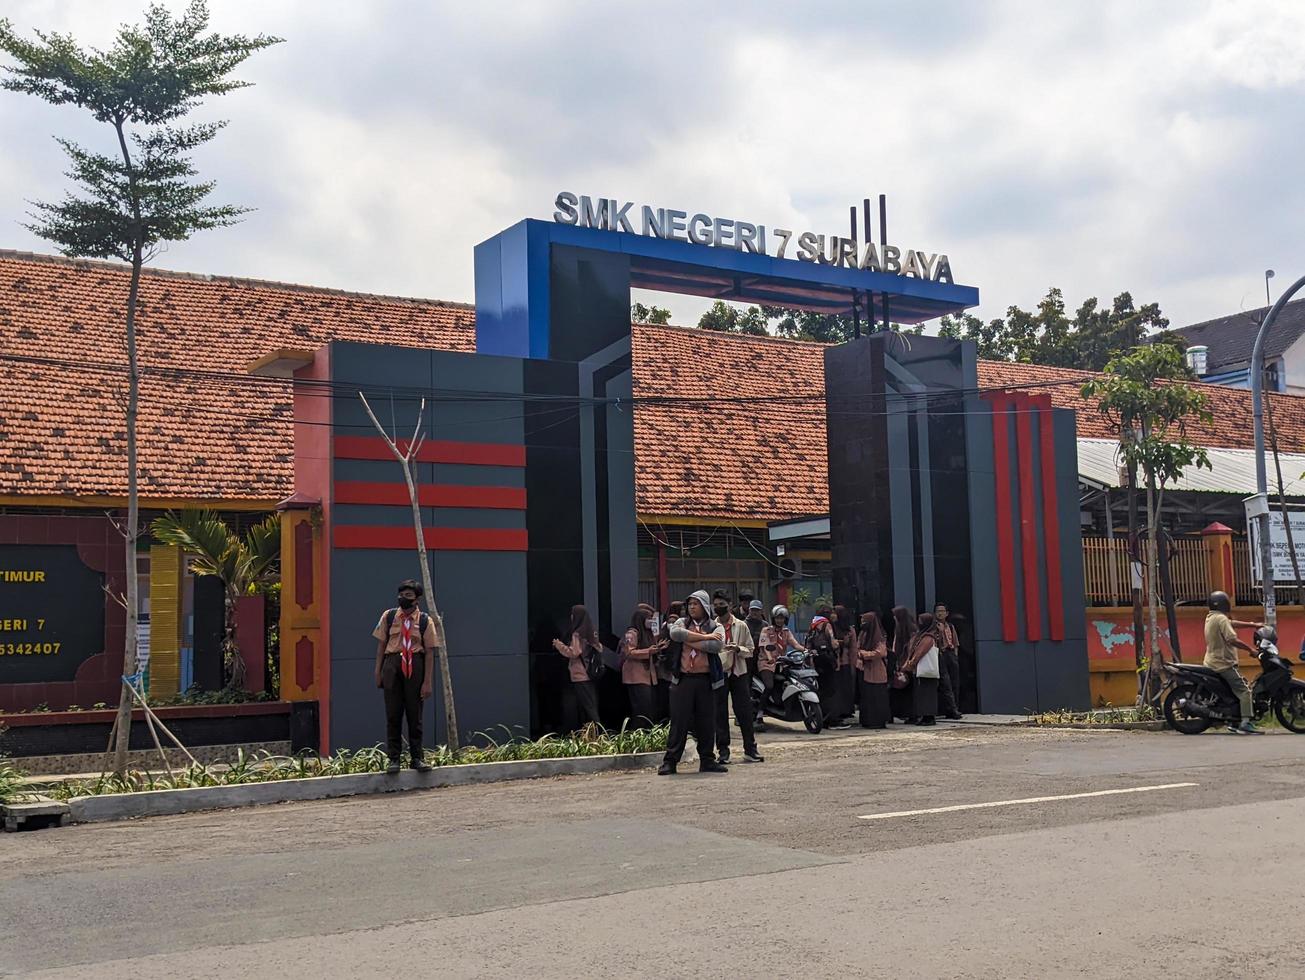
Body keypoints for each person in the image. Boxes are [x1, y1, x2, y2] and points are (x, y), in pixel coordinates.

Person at [372, 579, 442, 774]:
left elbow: (429, 653)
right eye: (401, 595)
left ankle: (417, 758)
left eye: (408, 596)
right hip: (392, 664)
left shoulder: (425, 621)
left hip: (415, 665)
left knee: (414, 714)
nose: (403, 598)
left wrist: (427, 682)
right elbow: (380, 646)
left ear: (417, 599)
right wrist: (378, 672)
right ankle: (393, 759)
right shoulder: (389, 616)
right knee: (393, 714)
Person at [659, 590, 728, 775]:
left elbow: (716, 646)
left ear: (705, 606)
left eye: (695, 604)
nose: (691, 607)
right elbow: (675, 633)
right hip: (683, 679)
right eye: (689, 604)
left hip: (706, 680)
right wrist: (704, 637)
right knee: (679, 721)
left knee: (706, 722)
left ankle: (707, 760)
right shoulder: (682, 622)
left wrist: (689, 640)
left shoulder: (716, 626)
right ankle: (670, 761)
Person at [713, 593, 763, 764]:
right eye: (716, 604)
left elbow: (751, 649)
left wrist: (738, 649)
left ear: (729, 604)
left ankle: (750, 749)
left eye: (722, 603)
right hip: (720, 673)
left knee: (744, 712)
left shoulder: (741, 626)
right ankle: (723, 751)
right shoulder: (712, 626)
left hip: (739, 672)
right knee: (720, 712)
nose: (718, 607)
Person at [1204, 590, 1262, 734]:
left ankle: (1233, 721)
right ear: (1225, 604)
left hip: (1211, 662)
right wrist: (1251, 650)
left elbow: (1231, 623)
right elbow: (1232, 639)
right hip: (1224, 664)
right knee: (1245, 690)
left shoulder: (1212, 617)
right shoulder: (1221, 619)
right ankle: (1245, 723)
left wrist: (1253, 625)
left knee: (1231, 693)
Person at [552, 605, 604, 730]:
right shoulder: (591, 632)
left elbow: (574, 652)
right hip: (590, 673)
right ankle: (592, 734)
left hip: (580, 675)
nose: (570, 617)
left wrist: (559, 646)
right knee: (590, 705)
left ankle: (599, 734)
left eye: (572, 614)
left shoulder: (577, 634)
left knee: (588, 708)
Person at [756, 605, 804, 730]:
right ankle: (760, 713)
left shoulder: (786, 632)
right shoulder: (766, 630)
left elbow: (795, 644)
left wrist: (806, 650)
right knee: (769, 686)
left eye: (782, 618)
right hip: (766, 663)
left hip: (781, 663)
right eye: (777, 618)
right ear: (773, 618)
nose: (780, 620)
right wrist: (769, 657)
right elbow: (765, 646)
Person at [620, 603, 659, 728]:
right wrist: (649, 651)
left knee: (648, 706)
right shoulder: (631, 634)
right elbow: (629, 652)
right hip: (635, 676)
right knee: (641, 708)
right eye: (648, 618)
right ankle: (638, 732)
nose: (651, 621)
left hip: (647, 675)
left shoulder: (648, 633)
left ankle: (646, 731)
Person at [807, 614, 848, 729]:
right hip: (827, 661)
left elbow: (808, 645)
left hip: (817, 661)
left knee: (822, 690)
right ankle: (832, 720)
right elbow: (833, 643)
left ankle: (822, 717)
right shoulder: (826, 625)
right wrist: (841, 643)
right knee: (832, 690)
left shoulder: (813, 625)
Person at [901, 611, 940, 725]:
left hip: (925, 671)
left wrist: (910, 664)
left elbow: (919, 653)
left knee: (927, 695)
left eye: (921, 621)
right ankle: (924, 716)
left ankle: (929, 717)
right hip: (920, 670)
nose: (919, 623)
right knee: (922, 694)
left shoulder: (928, 637)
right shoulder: (920, 635)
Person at [856, 610, 890, 728]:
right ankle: (867, 720)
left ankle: (878, 721)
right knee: (867, 696)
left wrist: (864, 654)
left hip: (876, 670)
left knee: (877, 696)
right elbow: (857, 647)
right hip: (864, 669)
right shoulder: (863, 634)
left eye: (864, 621)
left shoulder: (878, 636)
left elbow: (880, 652)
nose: (862, 623)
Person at [653, 600, 683, 723]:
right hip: (664, 672)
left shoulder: (682, 630)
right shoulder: (664, 632)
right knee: (664, 698)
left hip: (676, 670)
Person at [934, 602, 964, 720]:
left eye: (942, 611)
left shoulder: (950, 626)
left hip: (951, 654)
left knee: (955, 682)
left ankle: (954, 708)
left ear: (947, 613)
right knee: (945, 683)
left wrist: (955, 656)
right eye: (938, 611)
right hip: (941, 654)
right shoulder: (933, 627)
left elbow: (955, 643)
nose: (940, 613)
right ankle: (950, 709)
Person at [831, 604, 859, 727]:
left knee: (846, 687)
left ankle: (846, 710)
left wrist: (855, 663)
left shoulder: (850, 629)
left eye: (835, 613)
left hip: (846, 661)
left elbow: (853, 647)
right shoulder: (830, 628)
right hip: (834, 662)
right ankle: (838, 711)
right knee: (837, 688)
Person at [890, 606, 918, 724]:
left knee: (908, 690)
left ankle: (911, 714)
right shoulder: (900, 629)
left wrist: (906, 663)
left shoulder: (911, 630)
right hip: (902, 663)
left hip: (907, 664)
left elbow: (911, 649)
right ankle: (905, 714)